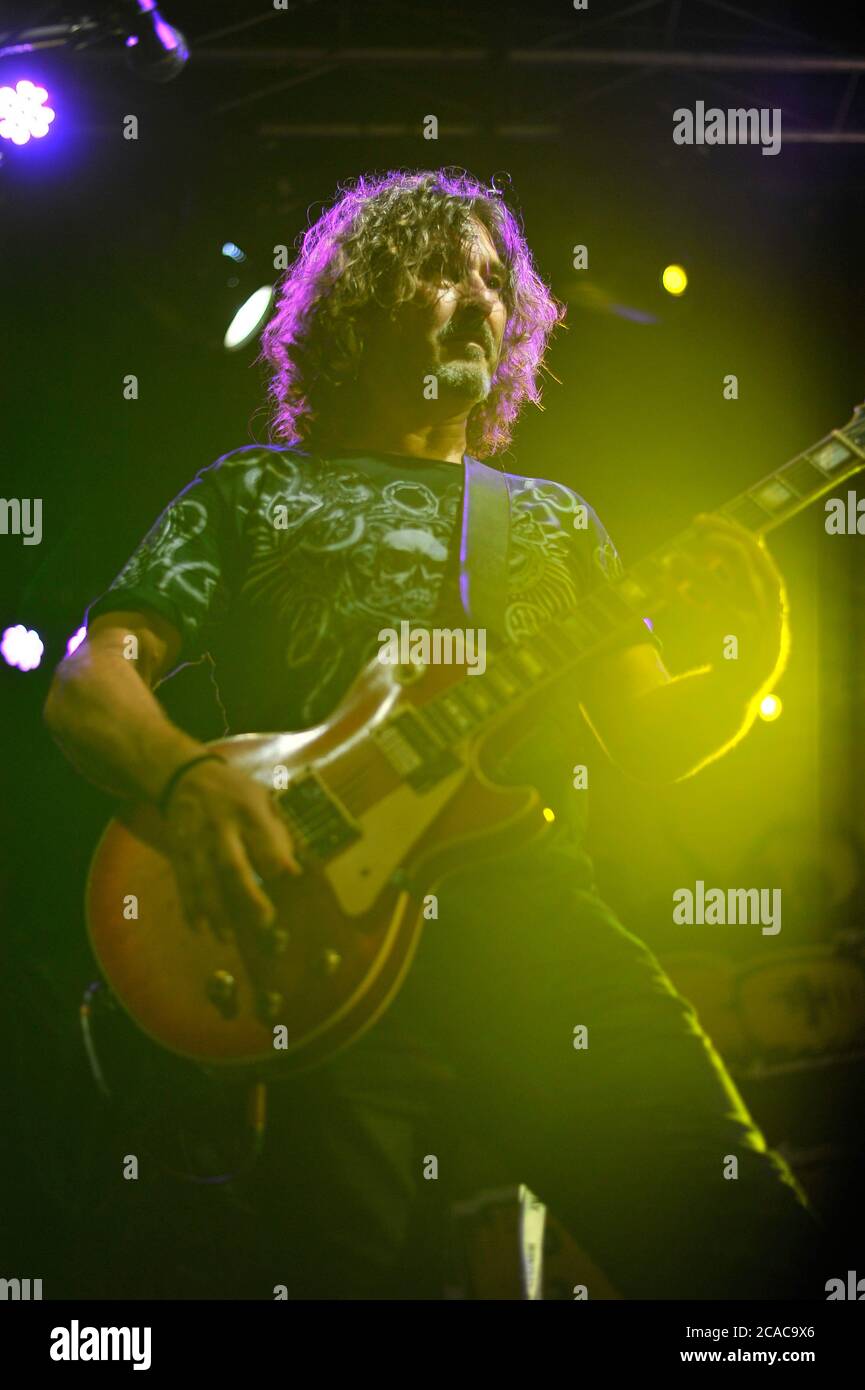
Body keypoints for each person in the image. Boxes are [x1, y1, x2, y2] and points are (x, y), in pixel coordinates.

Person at [44, 168, 822, 1300]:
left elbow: (652, 744)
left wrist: (748, 654)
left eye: (493, 278)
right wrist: (185, 781)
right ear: (357, 300)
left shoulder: (552, 520)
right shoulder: (255, 491)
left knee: (748, 1250)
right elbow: (88, 679)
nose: (474, 294)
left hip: (531, 925)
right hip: (305, 934)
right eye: (437, 268)